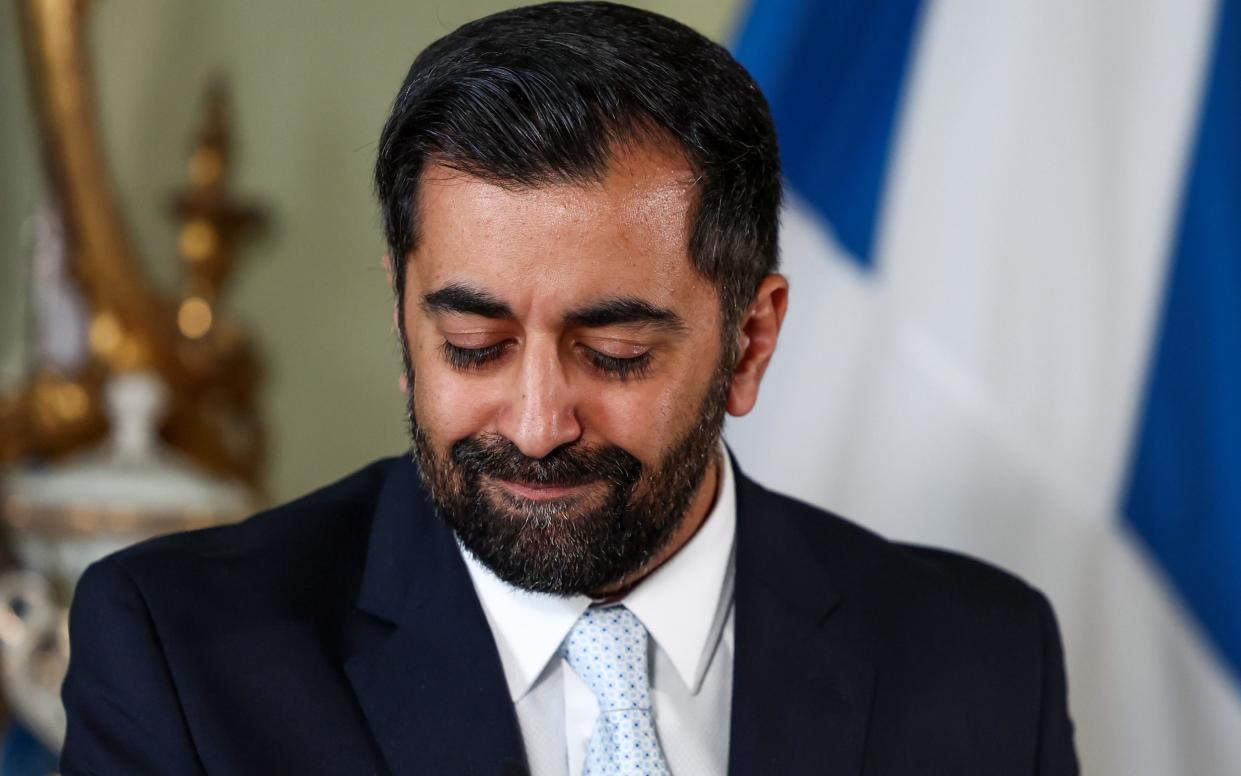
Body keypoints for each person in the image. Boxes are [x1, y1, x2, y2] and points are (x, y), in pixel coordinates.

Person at [59, 3, 1079, 774]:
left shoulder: (982, 661)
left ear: (750, 340)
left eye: (616, 353)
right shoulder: (179, 654)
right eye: (472, 343)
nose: (538, 423)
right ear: (403, 313)